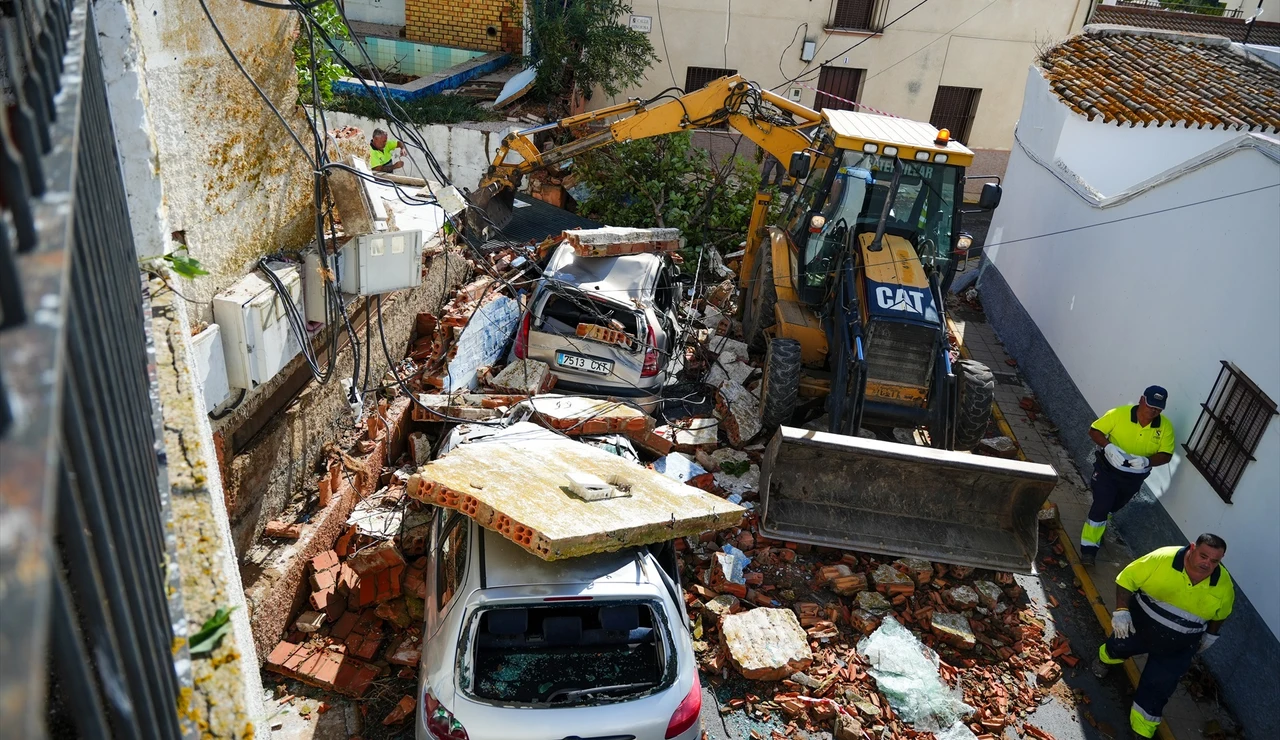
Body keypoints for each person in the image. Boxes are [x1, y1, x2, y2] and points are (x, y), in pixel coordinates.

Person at [1093, 534, 1234, 739]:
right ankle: (1104, 660)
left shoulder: (1223, 585)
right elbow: (1127, 578)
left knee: (1159, 687)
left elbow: (1222, 614)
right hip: (1140, 627)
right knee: (1118, 646)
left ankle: (1141, 730)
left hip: (1179, 646)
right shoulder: (1163, 558)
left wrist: (1211, 636)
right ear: (1193, 548)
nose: (1207, 564)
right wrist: (1122, 610)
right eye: (1204, 556)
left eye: (1214, 561)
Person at [1080, 386, 1176, 565]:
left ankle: (1099, 521)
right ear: (1141, 400)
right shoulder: (1119, 414)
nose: (1153, 411)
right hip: (1107, 470)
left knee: (1113, 506)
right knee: (1102, 504)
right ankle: (1089, 549)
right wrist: (1108, 446)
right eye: (1150, 406)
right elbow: (1094, 430)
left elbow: (1166, 455)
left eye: (1158, 408)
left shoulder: (1165, 428)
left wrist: (1147, 461)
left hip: (1133, 478)